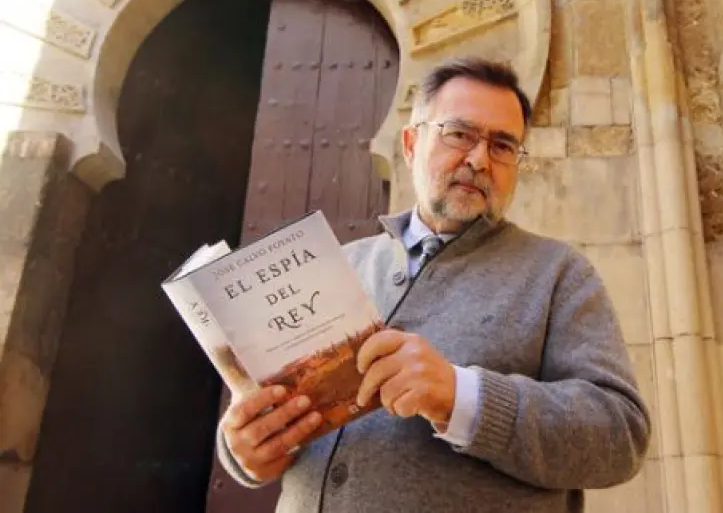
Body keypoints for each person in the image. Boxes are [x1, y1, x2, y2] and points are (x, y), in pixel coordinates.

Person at [216, 57, 652, 512]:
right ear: (410, 144)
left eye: (502, 145)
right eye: (459, 134)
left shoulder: (558, 274)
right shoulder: (342, 264)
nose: (479, 159)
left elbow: (621, 436)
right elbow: (274, 414)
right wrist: (245, 451)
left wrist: (461, 396)